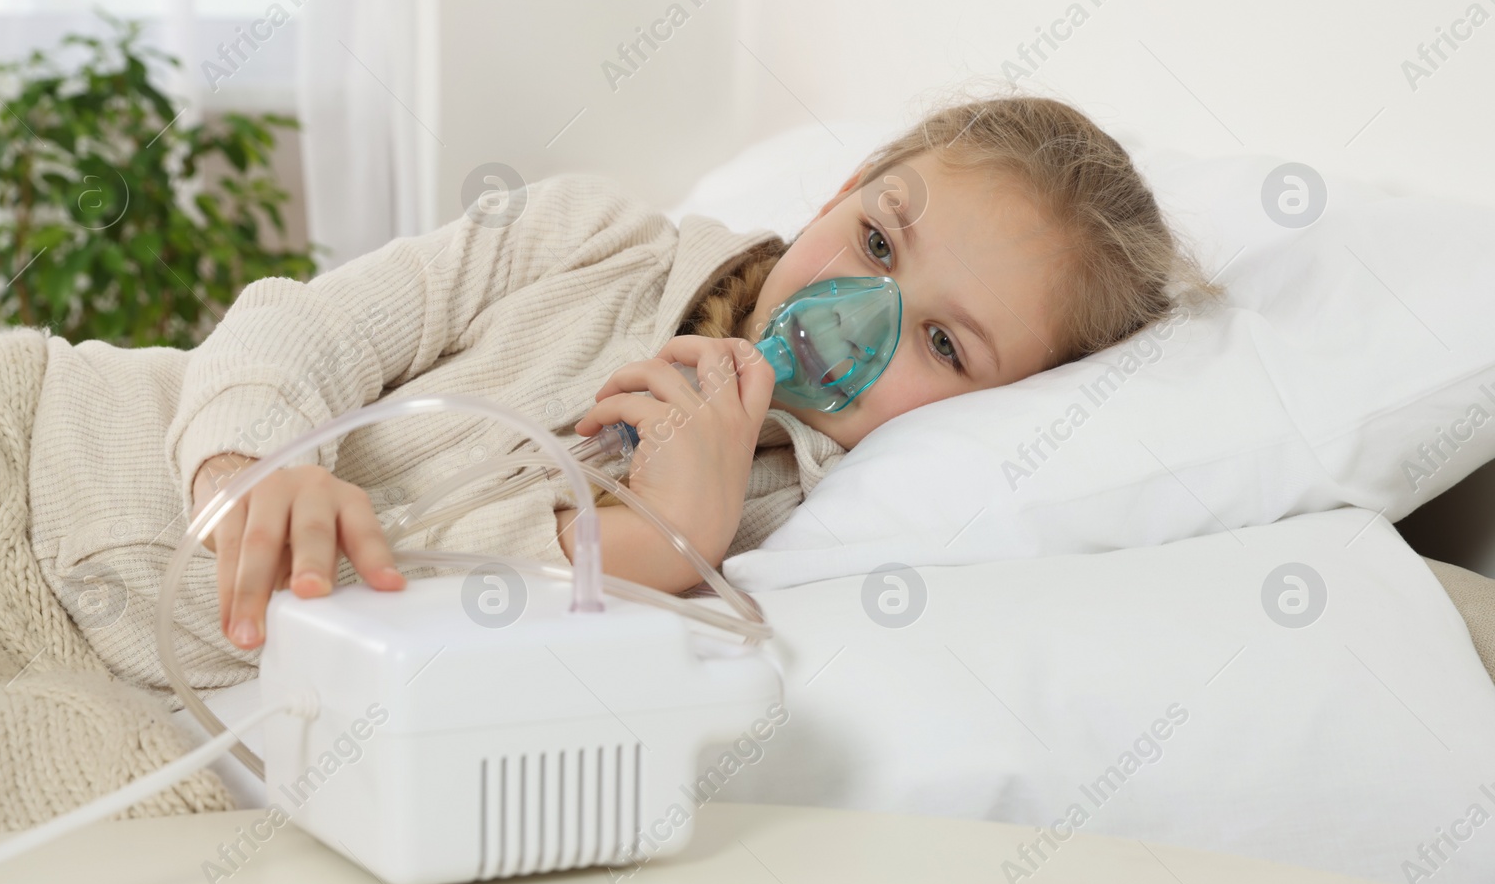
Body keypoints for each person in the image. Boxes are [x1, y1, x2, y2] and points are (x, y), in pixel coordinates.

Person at [183, 95, 1221, 653]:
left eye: (944, 345)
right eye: (875, 238)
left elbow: (435, 641)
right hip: (41, 439)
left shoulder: (776, 530)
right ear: (841, 190)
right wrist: (247, 466)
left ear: (1004, 404)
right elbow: (302, 323)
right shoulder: (591, 236)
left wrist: (647, 547)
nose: (854, 315)